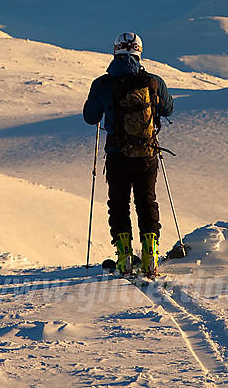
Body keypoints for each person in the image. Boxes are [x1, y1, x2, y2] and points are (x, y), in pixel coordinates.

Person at [83, 32, 174, 277]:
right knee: (147, 201)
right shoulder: (153, 82)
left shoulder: (102, 84)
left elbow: (90, 117)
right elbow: (168, 108)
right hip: (147, 154)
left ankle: (124, 257)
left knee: (119, 203)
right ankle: (150, 255)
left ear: (116, 52)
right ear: (139, 52)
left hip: (116, 154)